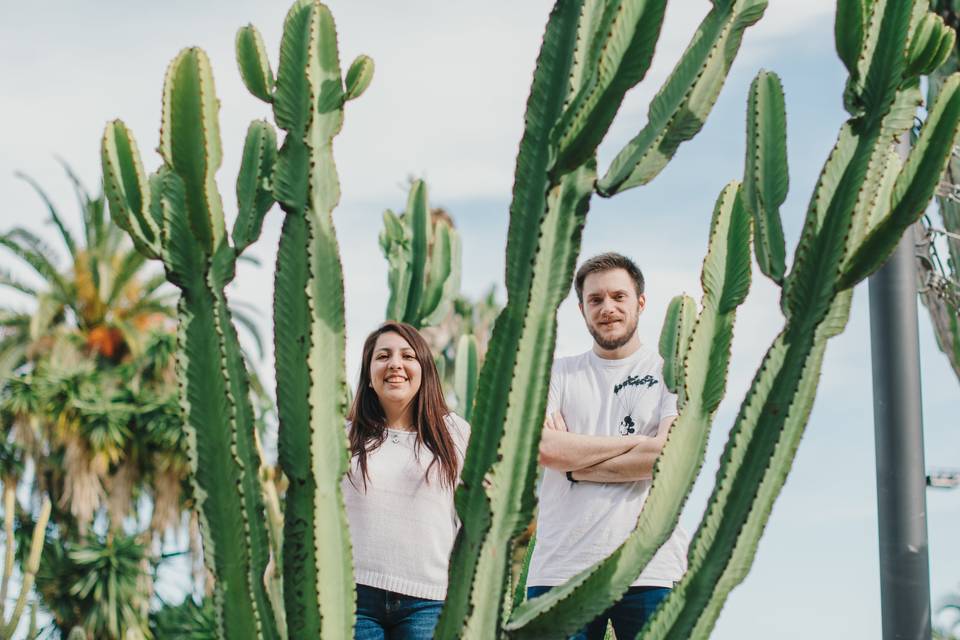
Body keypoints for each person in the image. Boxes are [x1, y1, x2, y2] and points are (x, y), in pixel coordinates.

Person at [527, 252, 686, 639]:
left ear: (640, 303)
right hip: (562, 569)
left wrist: (575, 462)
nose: (607, 308)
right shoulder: (556, 373)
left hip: (651, 567)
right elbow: (546, 449)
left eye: (619, 296)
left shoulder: (672, 371)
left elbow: (668, 455)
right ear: (582, 309)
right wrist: (638, 445)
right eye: (595, 300)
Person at [342, 321, 470, 640]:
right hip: (353, 597)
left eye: (408, 356)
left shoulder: (455, 433)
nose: (395, 364)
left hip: (431, 601)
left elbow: (480, 508)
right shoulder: (342, 437)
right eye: (383, 356)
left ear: (424, 369)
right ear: (369, 377)